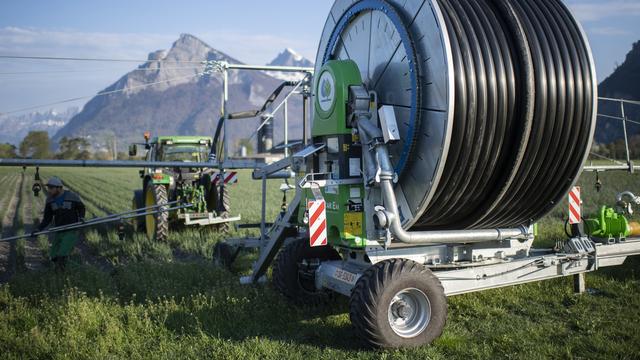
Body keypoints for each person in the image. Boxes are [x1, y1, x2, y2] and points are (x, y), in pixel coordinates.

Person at [33, 177, 86, 271]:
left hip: (71, 230)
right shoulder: (49, 200)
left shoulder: (72, 196)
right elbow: (47, 218)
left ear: (59, 188)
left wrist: (81, 217)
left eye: (51, 188)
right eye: (48, 188)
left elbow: (81, 207)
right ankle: (70, 269)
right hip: (59, 230)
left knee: (62, 253)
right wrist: (38, 229)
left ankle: (61, 273)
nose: (49, 190)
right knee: (53, 255)